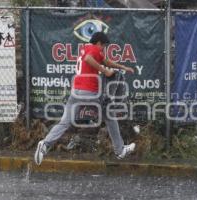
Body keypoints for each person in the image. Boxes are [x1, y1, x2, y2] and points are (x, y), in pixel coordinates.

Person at [34, 32, 136, 165]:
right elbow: (89, 59)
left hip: (76, 92)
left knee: (64, 122)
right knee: (110, 114)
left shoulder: (86, 48)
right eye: (104, 47)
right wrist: (105, 72)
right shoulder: (93, 50)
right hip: (89, 92)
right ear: (99, 43)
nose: (103, 49)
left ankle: (45, 144)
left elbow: (105, 61)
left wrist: (122, 67)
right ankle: (120, 150)